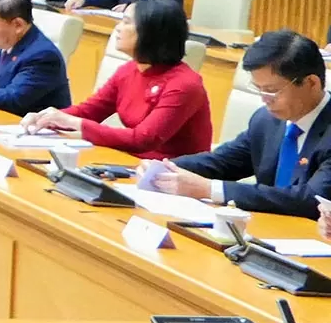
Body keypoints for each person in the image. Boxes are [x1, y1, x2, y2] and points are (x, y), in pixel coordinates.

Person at [136, 30, 330, 216]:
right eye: (258, 89)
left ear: (311, 83)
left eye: (271, 90)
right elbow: (223, 162)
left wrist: (208, 189)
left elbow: (311, 200)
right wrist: (163, 169)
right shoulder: (265, 121)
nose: (264, 99)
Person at [22, 0, 210, 159]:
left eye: (126, 22)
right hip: (130, 162)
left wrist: (72, 122)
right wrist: (47, 117)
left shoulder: (184, 84)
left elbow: (143, 139)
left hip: (173, 175)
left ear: (151, 32)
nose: (118, 28)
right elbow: (90, 111)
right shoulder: (129, 70)